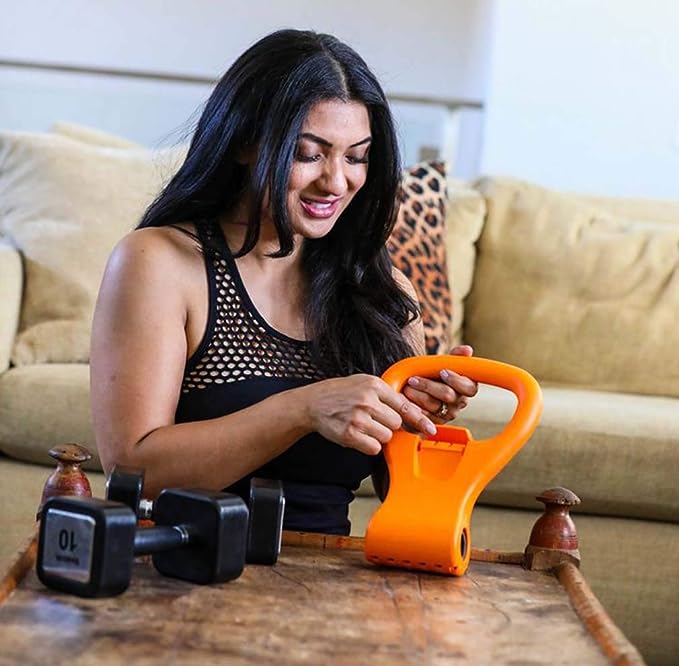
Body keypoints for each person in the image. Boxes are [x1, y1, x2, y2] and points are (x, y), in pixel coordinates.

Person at [90, 29, 478, 535]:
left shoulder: (383, 293)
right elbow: (132, 473)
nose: (337, 182)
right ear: (246, 143)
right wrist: (303, 409)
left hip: (331, 584)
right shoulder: (160, 261)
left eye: (356, 157)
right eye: (309, 153)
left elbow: (401, 495)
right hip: (182, 570)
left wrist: (419, 424)